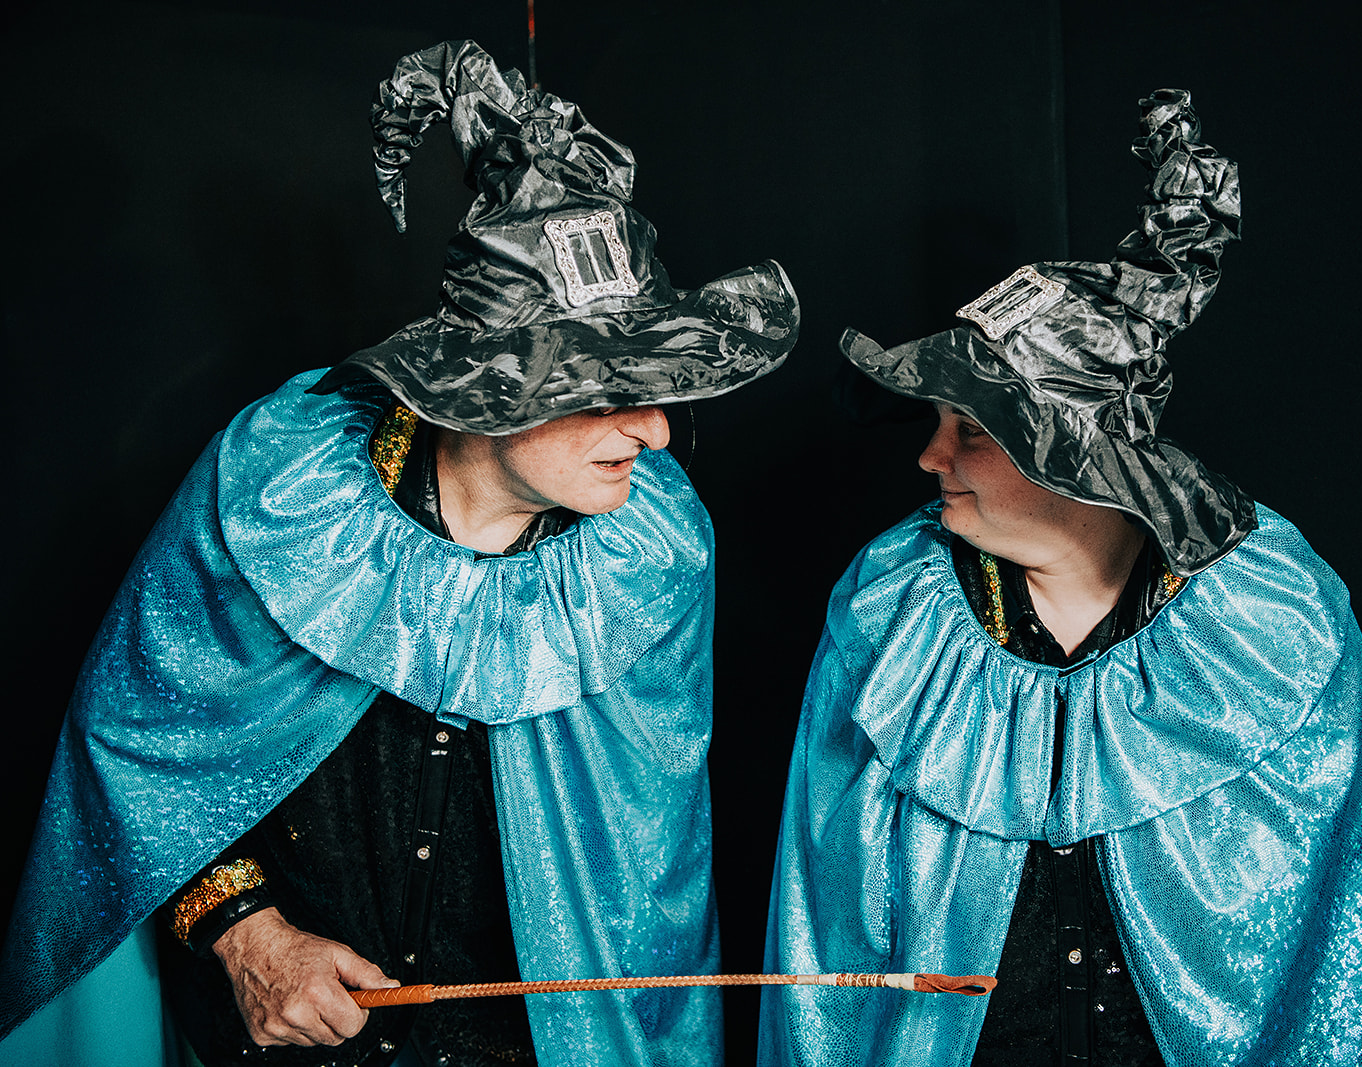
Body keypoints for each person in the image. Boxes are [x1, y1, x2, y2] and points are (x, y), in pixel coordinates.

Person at [0, 40, 799, 1067]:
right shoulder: (283, 487)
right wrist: (246, 932)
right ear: (487, 376)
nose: (652, 432)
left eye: (661, 389)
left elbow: (648, 858)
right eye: (608, 390)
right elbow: (146, 752)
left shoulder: (655, 544)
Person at [760, 89, 1362, 1066]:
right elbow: (825, 918)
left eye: (969, 430)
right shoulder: (892, 610)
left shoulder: (1273, 615)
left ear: (1075, 453)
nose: (928, 457)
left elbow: (1346, 933)